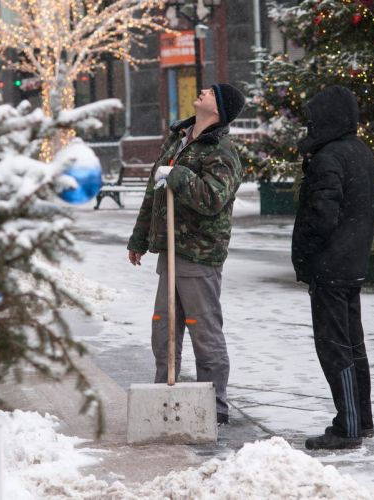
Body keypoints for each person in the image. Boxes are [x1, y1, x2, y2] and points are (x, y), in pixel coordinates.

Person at [127, 83, 246, 425]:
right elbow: (153, 193)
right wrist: (139, 238)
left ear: (219, 109)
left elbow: (212, 199)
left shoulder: (222, 151)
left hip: (198, 253)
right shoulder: (178, 138)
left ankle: (216, 405)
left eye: (210, 92)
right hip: (170, 250)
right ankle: (165, 393)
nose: (202, 91)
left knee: (203, 332)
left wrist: (178, 175)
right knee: (163, 329)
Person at [292, 85, 374, 449]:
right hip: (351, 263)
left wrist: (306, 255)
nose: (310, 126)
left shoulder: (329, 157)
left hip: (330, 267)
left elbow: (321, 217)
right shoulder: (360, 152)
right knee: (353, 344)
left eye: (314, 119)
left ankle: (348, 427)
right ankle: (362, 419)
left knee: (333, 347)